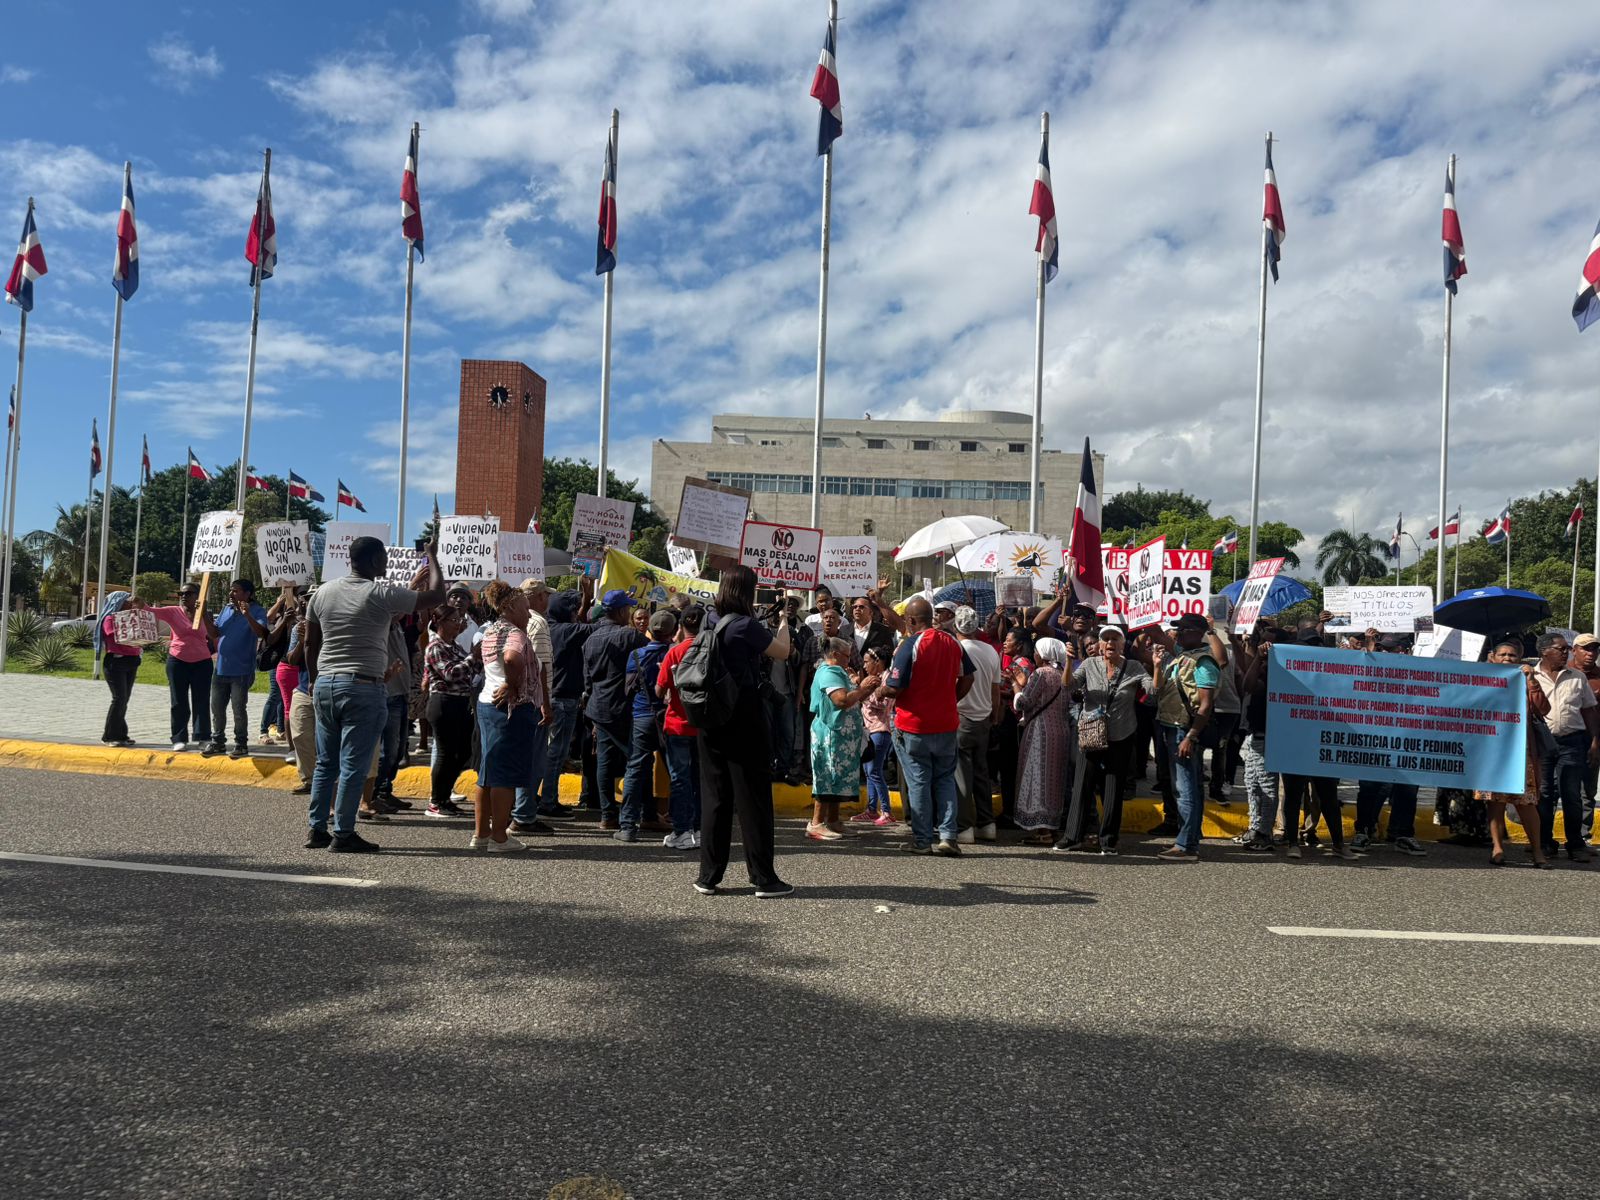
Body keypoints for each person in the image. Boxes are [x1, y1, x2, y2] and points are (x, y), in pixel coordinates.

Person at [304, 537, 445, 853]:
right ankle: (343, 832)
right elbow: (436, 595)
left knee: (326, 762)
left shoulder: (323, 591)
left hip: (325, 684)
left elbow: (311, 643)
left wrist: (314, 680)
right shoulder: (380, 593)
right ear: (371, 561)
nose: (386, 564)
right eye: (382, 559)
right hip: (363, 686)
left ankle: (317, 829)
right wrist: (432, 557)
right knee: (354, 763)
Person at [694, 564, 794, 898]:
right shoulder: (746, 626)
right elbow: (783, 651)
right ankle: (763, 878)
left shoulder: (711, 621)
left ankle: (708, 876)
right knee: (753, 799)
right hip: (743, 718)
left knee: (716, 798)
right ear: (747, 592)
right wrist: (783, 621)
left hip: (711, 716)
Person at [883, 596, 973, 856]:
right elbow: (968, 677)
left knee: (919, 782)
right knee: (945, 780)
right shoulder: (952, 642)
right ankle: (948, 837)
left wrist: (879, 688)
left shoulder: (911, 644)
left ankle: (923, 841)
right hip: (945, 723)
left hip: (913, 725)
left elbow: (894, 687)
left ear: (910, 620)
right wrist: (950, 699)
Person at [472, 580, 551, 852]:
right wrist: (512, 684)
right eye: (525, 608)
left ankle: (481, 834)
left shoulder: (492, 630)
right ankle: (499, 838)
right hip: (509, 709)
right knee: (503, 774)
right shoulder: (515, 633)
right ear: (511, 607)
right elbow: (511, 659)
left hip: (487, 704)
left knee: (487, 772)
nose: (528, 614)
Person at [1060, 624, 1148, 854]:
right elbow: (1068, 685)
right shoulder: (1089, 665)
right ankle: (1072, 837)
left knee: (1113, 788)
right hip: (1091, 733)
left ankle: (1108, 840)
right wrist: (1069, 661)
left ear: (1122, 644)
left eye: (1115, 639)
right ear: (1099, 645)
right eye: (1106, 639)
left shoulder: (1134, 667)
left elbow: (1154, 692)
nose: (1110, 643)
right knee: (1081, 785)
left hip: (1121, 734)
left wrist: (1157, 668)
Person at [1275, 622, 1355, 861]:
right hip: (1296, 741)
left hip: (1321, 741)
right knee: (1294, 794)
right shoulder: (1285, 672)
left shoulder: (1330, 677)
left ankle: (1338, 844)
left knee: (1327, 795)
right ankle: (1292, 842)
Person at [1145, 613, 1219, 862]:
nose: (1176, 633)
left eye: (1183, 629)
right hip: (1171, 726)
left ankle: (1186, 845)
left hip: (1184, 731)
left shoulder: (1203, 662)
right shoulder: (1183, 654)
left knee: (1185, 789)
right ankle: (1190, 839)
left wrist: (1191, 736)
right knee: (1189, 788)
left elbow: (1205, 706)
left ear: (1197, 632)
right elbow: (1156, 633)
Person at [1476, 639, 1551, 868]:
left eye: (1512, 655)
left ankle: (1537, 851)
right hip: (1491, 750)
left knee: (1526, 803)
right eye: (1503, 655)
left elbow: (1543, 709)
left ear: (1520, 659)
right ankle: (1497, 847)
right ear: (1493, 658)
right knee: (1494, 802)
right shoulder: (1482, 681)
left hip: (1521, 752)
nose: (1508, 659)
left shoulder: (1526, 680)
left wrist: (1531, 682)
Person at [1352, 632, 1427, 856]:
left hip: (1408, 740)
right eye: (1382, 649)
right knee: (1369, 787)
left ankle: (1402, 834)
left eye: (1390, 649)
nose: (1384, 653)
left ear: (1403, 652)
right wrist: (1370, 646)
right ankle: (1363, 831)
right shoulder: (1374, 672)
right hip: (1376, 740)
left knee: (1408, 788)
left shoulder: (1418, 673)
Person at [583, 589, 648, 837]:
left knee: (605, 761)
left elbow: (587, 679)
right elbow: (653, 655)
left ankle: (608, 815)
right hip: (623, 707)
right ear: (621, 611)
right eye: (629, 609)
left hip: (598, 707)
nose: (630, 613)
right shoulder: (630, 636)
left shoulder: (591, 639)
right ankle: (632, 817)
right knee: (637, 760)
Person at [1530, 631, 1597, 863]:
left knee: (1572, 795)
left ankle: (1575, 844)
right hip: (1542, 742)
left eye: (1567, 649)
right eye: (1561, 649)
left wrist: (1595, 741)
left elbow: (1588, 710)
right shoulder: (1530, 675)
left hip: (1572, 741)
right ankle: (1545, 843)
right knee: (1545, 793)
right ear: (1544, 651)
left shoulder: (1577, 677)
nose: (1565, 653)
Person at [806, 635, 876, 841]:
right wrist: (862, 688)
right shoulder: (829, 672)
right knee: (827, 776)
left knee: (837, 778)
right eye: (846, 656)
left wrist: (861, 687)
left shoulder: (839, 671)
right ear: (835, 655)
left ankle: (834, 820)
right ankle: (816, 823)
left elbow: (851, 696)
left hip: (842, 737)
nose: (849, 660)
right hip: (830, 734)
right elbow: (841, 700)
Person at [618, 608, 678, 844]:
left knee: (635, 769)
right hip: (670, 716)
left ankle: (627, 826)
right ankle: (684, 825)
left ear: (650, 630)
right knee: (677, 770)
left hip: (642, 715)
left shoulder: (636, 655)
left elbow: (628, 688)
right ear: (673, 631)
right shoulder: (676, 654)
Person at [1011, 636, 1072, 845]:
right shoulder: (1063, 674)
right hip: (1061, 732)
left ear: (1043, 654)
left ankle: (1042, 831)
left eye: (1036, 651)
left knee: (1037, 779)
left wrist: (1015, 687)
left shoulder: (1040, 673)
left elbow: (1024, 703)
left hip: (1040, 732)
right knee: (1053, 780)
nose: (1034, 655)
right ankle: (1050, 827)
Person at [539, 586, 594, 817]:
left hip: (553, 698)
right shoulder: (566, 631)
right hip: (561, 701)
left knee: (550, 753)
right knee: (556, 754)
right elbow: (596, 627)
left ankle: (543, 798)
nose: (575, 614)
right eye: (573, 610)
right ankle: (548, 802)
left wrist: (587, 600)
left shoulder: (550, 628)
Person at [201, 580, 268, 759]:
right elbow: (215, 633)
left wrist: (247, 615)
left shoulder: (257, 611)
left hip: (242, 670)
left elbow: (261, 633)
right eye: (230, 590)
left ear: (247, 594)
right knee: (217, 708)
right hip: (221, 668)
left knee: (238, 709)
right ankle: (218, 742)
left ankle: (241, 744)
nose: (231, 594)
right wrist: (203, 615)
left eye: (235, 591)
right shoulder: (227, 610)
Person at [656, 604, 705, 849]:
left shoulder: (674, 652)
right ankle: (699, 828)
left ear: (680, 626)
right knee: (699, 779)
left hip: (677, 724)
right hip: (704, 726)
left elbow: (659, 689)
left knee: (679, 779)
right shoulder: (711, 650)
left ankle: (682, 830)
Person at [952, 605, 1001, 843]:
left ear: (956, 626)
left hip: (961, 716)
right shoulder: (991, 651)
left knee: (961, 774)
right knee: (981, 773)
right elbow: (995, 691)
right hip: (984, 717)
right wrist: (993, 715)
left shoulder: (957, 649)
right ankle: (986, 823)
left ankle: (964, 827)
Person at [422, 605, 476, 819]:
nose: (459, 623)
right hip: (444, 702)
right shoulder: (436, 646)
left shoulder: (453, 646)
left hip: (461, 702)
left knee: (463, 751)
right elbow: (451, 673)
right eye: (454, 619)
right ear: (441, 622)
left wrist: (477, 659)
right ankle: (436, 800)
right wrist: (473, 657)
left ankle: (445, 796)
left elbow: (469, 670)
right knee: (445, 753)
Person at [513, 579, 559, 826]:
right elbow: (540, 666)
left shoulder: (519, 620)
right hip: (535, 701)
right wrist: (545, 703)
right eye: (544, 595)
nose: (547, 600)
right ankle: (524, 814)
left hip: (525, 698)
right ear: (537, 597)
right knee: (534, 759)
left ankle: (520, 810)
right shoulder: (538, 623)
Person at [149, 582, 214, 752]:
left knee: (201, 700)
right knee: (178, 701)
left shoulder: (206, 613)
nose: (184, 597)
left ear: (198, 596)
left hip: (202, 662)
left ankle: (203, 737)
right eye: (181, 594)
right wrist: (139, 603)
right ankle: (179, 738)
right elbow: (151, 611)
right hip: (177, 661)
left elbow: (214, 634)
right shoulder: (174, 611)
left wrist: (204, 612)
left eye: (189, 593)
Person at [1233, 625, 1280, 852]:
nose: (1265, 646)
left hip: (1269, 736)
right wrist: (1258, 658)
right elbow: (1247, 685)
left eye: (1269, 642)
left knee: (1267, 788)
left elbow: (1252, 685)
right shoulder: (1261, 666)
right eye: (1263, 641)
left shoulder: (1281, 672)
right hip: (1253, 735)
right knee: (1251, 785)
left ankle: (1265, 832)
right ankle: (1254, 827)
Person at [369, 614, 414, 815]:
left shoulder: (397, 627)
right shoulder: (382, 622)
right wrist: (419, 582)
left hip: (401, 695)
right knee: (388, 752)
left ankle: (385, 791)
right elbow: (400, 610)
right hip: (390, 695)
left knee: (397, 750)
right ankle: (373, 794)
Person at [855, 646, 897, 826]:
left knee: (875, 771)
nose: (864, 666)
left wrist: (862, 691)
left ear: (877, 662)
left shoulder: (887, 679)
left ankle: (886, 811)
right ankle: (872, 809)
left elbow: (883, 703)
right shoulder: (875, 679)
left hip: (880, 730)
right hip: (869, 730)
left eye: (867, 662)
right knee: (869, 771)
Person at [96, 591, 143, 747]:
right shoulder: (109, 619)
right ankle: (109, 735)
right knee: (119, 699)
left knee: (124, 699)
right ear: (118, 603)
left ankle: (121, 733)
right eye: (127, 601)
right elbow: (115, 635)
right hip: (116, 662)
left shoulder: (132, 618)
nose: (130, 604)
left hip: (131, 661)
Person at [283, 599, 316, 794]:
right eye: (304, 602)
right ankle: (310, 779)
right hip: (304, 689)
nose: (305, 605)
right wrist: (303, 640)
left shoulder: (332, 625)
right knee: (301, 734)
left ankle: (328, 780)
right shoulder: (299, 629)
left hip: (328, 688)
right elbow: (292, 660)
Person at [1571, 632, 1600, 842]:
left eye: (1594, 649)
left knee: (1586, 791)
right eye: (1586, 648)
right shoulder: (1564, 672)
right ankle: (1546, 839)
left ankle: (1581, 837)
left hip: (1593, 740)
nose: (1591, 653)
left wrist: (1596, 742)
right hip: (1566, 739)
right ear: (1575, 651)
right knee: (1556, 789)